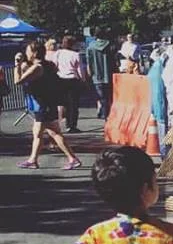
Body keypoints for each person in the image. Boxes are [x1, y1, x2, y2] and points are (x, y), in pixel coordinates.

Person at [14, 41, 81, 170]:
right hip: (47, 103)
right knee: (44, 133)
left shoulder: (37, 68)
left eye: (28, 51)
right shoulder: (48, 65)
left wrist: (17, 65)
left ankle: (72, 159)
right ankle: (33, 160)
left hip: (43, 105)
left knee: (50, 133)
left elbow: (18, 81)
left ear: (34, 53)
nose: (26, 53)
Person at [56, 34, 86, 133]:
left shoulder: (58, 53)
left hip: (61, 78)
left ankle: (61, 123)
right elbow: (80, 69)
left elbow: (55, 65)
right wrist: (83, 79)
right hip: (72, 79)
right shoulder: (75, 55)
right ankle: (71, 125)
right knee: (73, 104)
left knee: (63, 103)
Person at [86, 29, 116, 119]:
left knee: (100, 96)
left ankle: (102, 111)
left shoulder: (91, 46)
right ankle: (107, 114)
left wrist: (89, 73)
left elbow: (89, 62)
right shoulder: (110, 45)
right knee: (108, 97)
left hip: (97, 76)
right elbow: (114, 61)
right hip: (109, 74)